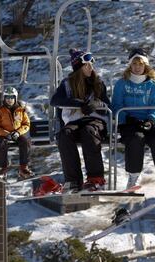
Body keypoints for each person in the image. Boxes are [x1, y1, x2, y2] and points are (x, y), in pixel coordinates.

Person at [111, 48, 155, 194]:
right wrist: (126, 119)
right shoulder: (122, 84)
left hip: (148, 121)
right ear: (130, 65)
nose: (137, 67)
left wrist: (151, 120)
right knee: (136, 138)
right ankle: (133, 177)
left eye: (141, 64)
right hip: (129, 123)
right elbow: (116, 106)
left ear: (145, 66)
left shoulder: (152, 85)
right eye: (135, 64)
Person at [50, 49, 110, 192]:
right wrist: (78, 104)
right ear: (78, 68)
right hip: (75, 121)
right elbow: (55, 101)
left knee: (89, 132)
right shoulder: (67, 84)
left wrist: (97, 104)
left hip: (95, 121)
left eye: (91, 64)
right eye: (87, 65)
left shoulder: (98, 83)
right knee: (64, 135)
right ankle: (73, 181)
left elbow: (108, 104)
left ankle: (96, 179)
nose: (91, 68)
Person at [0, 87, 34, 179]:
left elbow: (26, 124)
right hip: (5, 134)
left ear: (15, 98)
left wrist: (18, 132)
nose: (10, 100)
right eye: (8, 98)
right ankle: (4, 168)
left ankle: (23, 167)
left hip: (17, 133)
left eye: (12, 98)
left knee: (25, 142)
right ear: (4, 98)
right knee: (1, 143)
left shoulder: (21, 110)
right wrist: (6, 133)